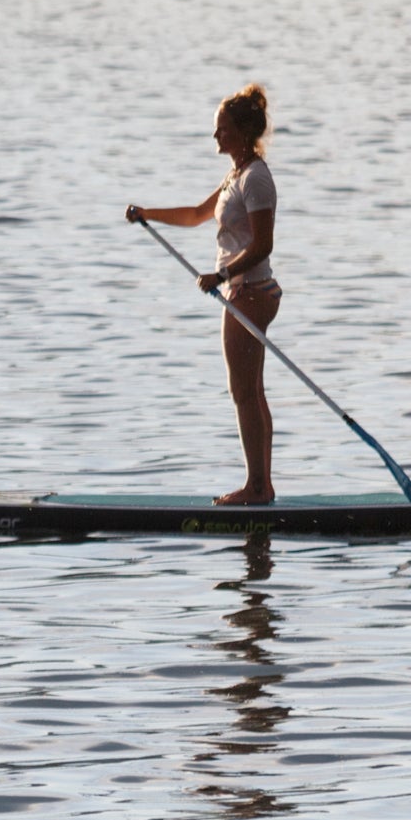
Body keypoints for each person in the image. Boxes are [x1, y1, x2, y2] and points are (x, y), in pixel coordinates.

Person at [127, 85, 280, 505]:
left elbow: (263, 245)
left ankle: (256, 488)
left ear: (243, 132)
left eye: (222, 129)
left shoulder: (256, 179)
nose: (215, 136)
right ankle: (261, 485)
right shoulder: (236, 174)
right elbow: (196, 214)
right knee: (252, 391)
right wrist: (147, 215)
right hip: (241, 289)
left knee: (243, 393)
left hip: (250, 290)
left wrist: (222, 273)